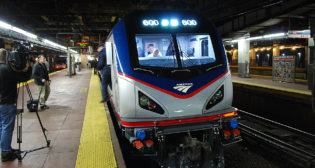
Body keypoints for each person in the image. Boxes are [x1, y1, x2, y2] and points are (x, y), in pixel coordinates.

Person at [0, 48, 20, 161]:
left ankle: (5, 147)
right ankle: (5, 152)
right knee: (7, 127)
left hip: (1, 102)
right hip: (7, 103)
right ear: (6, 57)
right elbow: (22, 77)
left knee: (2, 127)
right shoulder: (6, 69)